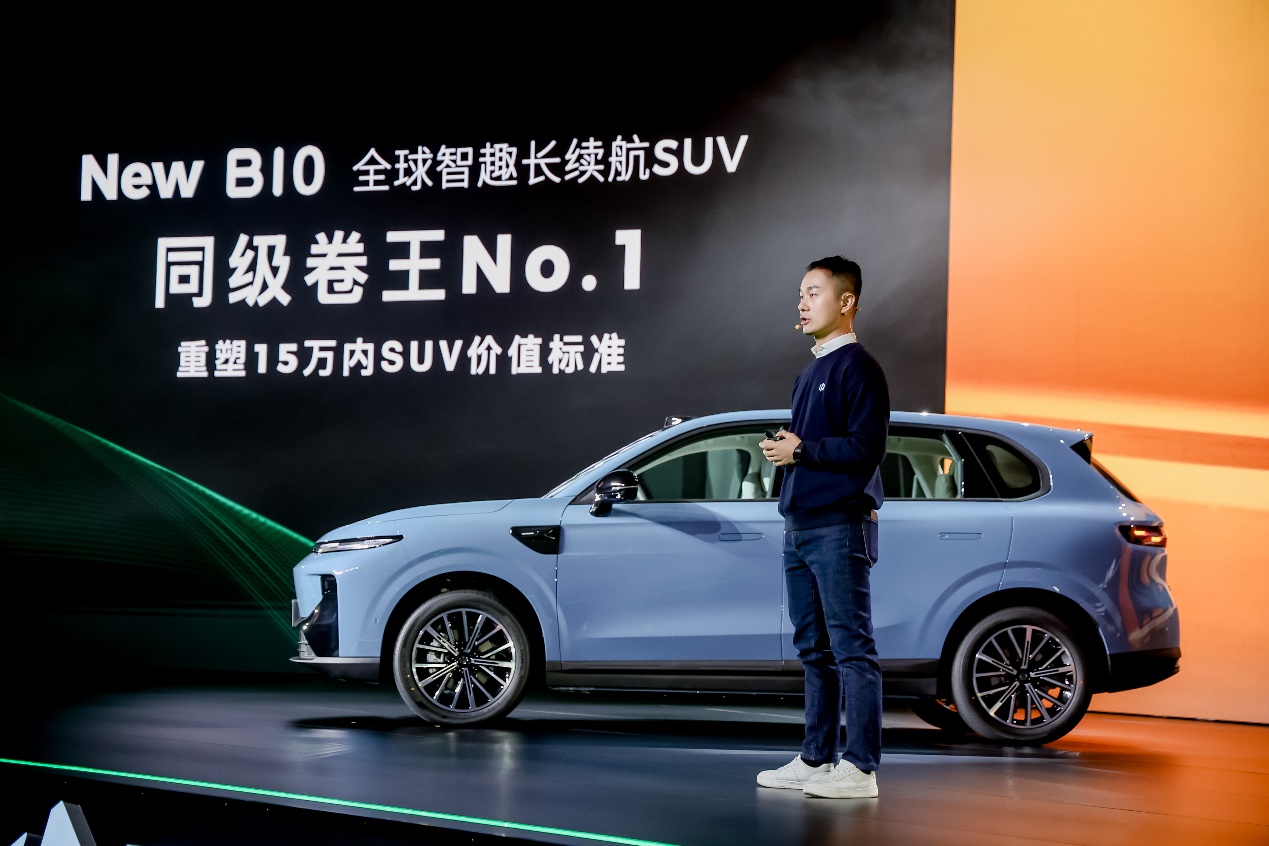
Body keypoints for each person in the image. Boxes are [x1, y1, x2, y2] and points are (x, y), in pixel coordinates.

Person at [757, 255, 889, 799]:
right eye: (801, 294)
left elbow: (866, 449)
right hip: (800, 525)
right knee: (813, 648)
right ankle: (816, 758)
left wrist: (803, 450)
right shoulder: (808, 372)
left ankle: (860, 768)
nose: (802, 302)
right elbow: (810, 448)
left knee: (851, 646)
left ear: (846, 301)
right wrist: (787, 453)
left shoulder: (859, 368)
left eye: (814, 292)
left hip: (838, 524)